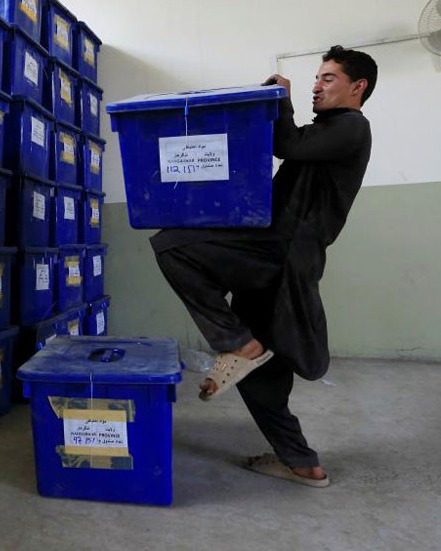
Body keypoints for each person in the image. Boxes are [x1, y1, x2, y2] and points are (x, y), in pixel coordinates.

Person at [152, 45, 378, 487]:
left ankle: (237, 342)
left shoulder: (352, 127)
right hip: (277, 251)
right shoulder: (327, 132)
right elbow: (281, 149)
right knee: (261, 380)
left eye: (328, 78)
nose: (316, 85)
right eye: (316, 77)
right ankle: (302, 463)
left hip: (281, 252)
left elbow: (286, 143)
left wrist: (280, 102)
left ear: (358, 87)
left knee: (172, 244)